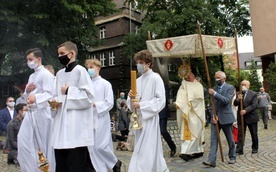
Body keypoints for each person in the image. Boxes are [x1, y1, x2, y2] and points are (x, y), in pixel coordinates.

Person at [50, 41, 94, 172]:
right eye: (58, 54)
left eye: (62, 53)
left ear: (72, 54)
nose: (59, 56)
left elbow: (89, 97)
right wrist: (54, 102)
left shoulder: (80, 71)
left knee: (76, 163)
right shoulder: (59, 74)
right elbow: (56, 94)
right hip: (61, 125)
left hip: (76, 127)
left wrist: (70, 91)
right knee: (62, 163)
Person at [127, 50, 169, 172]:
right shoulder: (137, 81)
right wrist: (131, 98)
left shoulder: (156, 78)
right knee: (141, 148)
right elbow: (132, 104)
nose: (139, 65)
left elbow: (161, 100)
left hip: (149, 120)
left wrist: (141, 105)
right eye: (137, 63)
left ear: (149, 63)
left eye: (141, 62)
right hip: (139, 119)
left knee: (147, 149)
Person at [17, 48, 55, 172]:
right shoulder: (32, 75)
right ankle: (29, 169)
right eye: (27, 60)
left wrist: (36, 97)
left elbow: (50, 94)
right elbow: (28, 96)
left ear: (39, 59)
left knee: (42, 144)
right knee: (23, 141)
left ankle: (46, 169)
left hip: (42, 114)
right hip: (31, 113)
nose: (28, 62)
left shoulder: (46, 74)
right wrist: (27, 92)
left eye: (30, 59)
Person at [85, 58, 121, 172]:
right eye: (88, 68)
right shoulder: (86, 84)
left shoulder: (105, 84)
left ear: (98, 68)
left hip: (101, 117)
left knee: (101, 145)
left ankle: (115, 161)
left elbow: (109, 102)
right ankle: (100, 169)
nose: (89, 70)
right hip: (89, 118)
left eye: (91, 67)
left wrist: (96, 105)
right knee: (91, 147)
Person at [202, 71, 236, 167]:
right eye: (215, 77)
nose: (216, 79)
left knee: (230, 139)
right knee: (213, 140)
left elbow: (226, 101)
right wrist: (213, 115)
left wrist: (215, 94)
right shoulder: (214, 88)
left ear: (223, 78)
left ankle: (232, 156)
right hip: (215, 118)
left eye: (218, 77)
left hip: (226, 117)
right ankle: (211, 160)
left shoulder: (230, 88)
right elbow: (212, 105)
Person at [176, 73, 205, 161]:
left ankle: (198, 150)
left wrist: (191, 100)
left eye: (190, 75)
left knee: (198, 133)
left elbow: (199, 98)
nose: (188, 76)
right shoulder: (183, 85)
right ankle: (186, 152)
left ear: (194, 76)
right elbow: (180, 96)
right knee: (189, 134)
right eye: (186, 75)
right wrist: (180, 103)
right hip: (188, 112)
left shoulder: (198, 85)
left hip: (197, 112)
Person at [234, 80, 259, 154]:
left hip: (251, 117)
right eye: (242, 85)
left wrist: (246, 110)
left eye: (245, 85)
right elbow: (235, 103)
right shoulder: (238, 93)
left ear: (248, 86)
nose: (243, 86)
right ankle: (239, 148)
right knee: (241, 133)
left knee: (253, 133)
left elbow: (254, 105)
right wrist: (238, 99)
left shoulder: (253, 94)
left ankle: (255, 147)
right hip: (241, 117)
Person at [159, 84, 176, 157]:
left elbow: (165, 99)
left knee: (163, 131)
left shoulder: (164, 86)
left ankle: (172, 147)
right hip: (153, 114)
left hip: (162, 113)